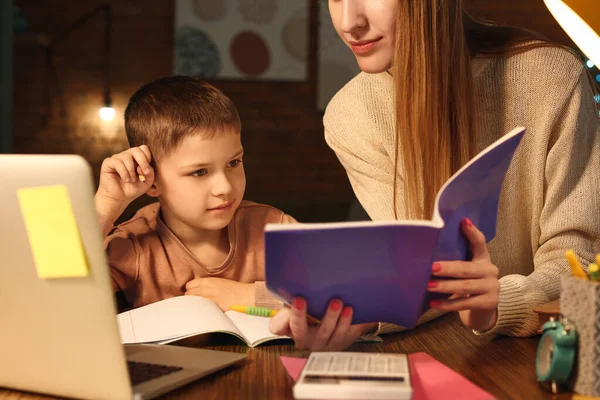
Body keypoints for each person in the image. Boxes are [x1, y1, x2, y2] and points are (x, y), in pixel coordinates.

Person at [269, 0, 600, 350]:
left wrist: (497, 304)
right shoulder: (348, 118)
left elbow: (582, 266)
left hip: (559, 351)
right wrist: (360, 312)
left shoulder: (552, 77)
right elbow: (424, 276)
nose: (350, 22)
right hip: (461, 353)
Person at [94, 76, 295, 311]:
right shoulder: (133, 246)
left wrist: (251, 296)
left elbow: (331, 301)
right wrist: (106, 203)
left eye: (233, 162)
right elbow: (54, 300)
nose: (225, 188)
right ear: (151, 181)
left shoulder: (272, 228)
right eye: (199, 172)